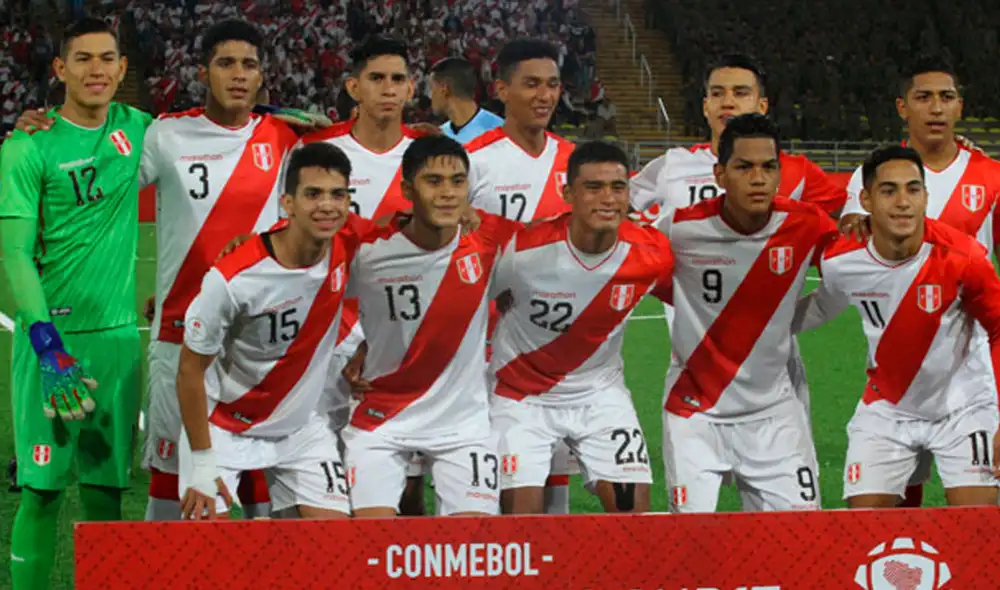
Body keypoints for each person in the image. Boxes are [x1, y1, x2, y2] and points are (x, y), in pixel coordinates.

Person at [0, 18, 150, 589]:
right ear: (60, 70)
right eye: (82, 59)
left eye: (107, 58)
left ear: (121, 69)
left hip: (116, 339)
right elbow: (14, 252)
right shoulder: (27, 146)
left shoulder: (140, 128)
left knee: (107, 495)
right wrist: (44, 344)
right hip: (52, 344)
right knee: (40, 492)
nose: (97, 70)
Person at [138, 19, 301, 521]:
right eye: (225, 63)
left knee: (256, 478)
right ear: (203, 71)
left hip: (255, 340)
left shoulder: (284, 137)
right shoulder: (164, 134)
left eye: (248, 65)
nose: (237, 74)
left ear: (261, 76)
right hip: (178, 334)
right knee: (174, 481)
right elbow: (104, 169)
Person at [794, 145, 1000, 507]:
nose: (903, 201)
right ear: (866, 199)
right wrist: (760, 323)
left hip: (964, 406)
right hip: (888, 407)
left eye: (913, 189)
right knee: (865, 532)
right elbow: (823, 306)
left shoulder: (963, 257)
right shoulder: (841, 260)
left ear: (925, 197)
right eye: (889, 191)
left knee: (976, 526)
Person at [177, 142, 373, 520]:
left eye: (337, 194)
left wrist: (366, 348)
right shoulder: (233, 277)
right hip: (223, 427)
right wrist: (202, 462)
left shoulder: (348, 242)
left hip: (300, 427)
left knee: (335, 556)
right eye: (312, 194)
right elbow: (189, 370)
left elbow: (412, 232)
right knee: (204, 559)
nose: (327, 205)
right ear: (288, 202)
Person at [655, 113, 838, 513]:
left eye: (768, 166)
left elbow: (849, 275)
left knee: (799, 546)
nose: (758, 178)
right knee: (692, 550)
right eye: (744, 167)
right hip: (695, 412)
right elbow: (634, 265)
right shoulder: (680, 227)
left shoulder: (806, 224)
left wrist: (788, 320)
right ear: (720, 174)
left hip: (774, 412)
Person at [839, 56, 1000, 508]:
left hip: (967, 376)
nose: (935, 108)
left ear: (960, 108)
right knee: (895, 519)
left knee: (974, 527)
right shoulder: (876, 177)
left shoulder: (990, 177)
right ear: (901, 107)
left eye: (946, 98)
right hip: (897, 368)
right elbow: (853, 247)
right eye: (923, 97)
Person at [339, 135, 520, 517]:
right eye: (433, 181)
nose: (448, 193)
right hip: (381, 421)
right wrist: (360, 348)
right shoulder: (369, 251)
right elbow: (316, 299)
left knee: (472, 556)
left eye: (458, 181)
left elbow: (556, 242)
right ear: (407, 189)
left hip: (463, 426)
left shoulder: (489, 243)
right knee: (370, 554)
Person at [489, 141, 672, 514]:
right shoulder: (522, 253)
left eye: (618, 188)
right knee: (519, 523)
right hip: (521, 397)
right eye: (593, 187)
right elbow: (471, 304)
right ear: (568, 193)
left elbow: (694, 299)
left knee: (634, 517)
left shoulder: (652, 255)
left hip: (600, 395)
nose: (608, 199)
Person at [300, 34, 429, 515]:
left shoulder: (431, 158)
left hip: (398, 337)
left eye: (398, 79)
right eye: (376, 78)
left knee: (406, 488)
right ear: (354, 87)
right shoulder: (315, 151)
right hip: (324, 333)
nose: (388, 89)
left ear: (412, 88)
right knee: (320, 478)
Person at [463, 38, 579, 514]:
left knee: (557, 476)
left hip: (563, 343)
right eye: (530, 84)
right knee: (507, 484)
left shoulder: (575, 159)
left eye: (551, 85)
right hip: (492, 345)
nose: (544, 96)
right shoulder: (474, 159)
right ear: (501, 90)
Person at [630, 53, 846, 219]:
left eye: (740, 93)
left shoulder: (799, 172)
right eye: (717, 93)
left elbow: (851, 215)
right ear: (706, 107)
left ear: (762, 106)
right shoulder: (671, 164)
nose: (727, 103)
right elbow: (615, 205)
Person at [430, 57, 503, 143]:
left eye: (432, 89)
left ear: (444, 89)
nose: (431, 96)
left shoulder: (500, 133)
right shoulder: (439, 134)